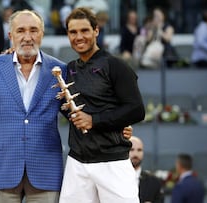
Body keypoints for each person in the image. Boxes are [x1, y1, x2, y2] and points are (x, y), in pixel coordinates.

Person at [0, 9, 133, 203]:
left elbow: (78, 113)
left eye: (33, 30)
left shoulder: (61, 69)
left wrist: (115, 124)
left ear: (42, 34)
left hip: (45, 170)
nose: (27, 37)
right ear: (10, 35)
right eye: (21, 31)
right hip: (1, 169)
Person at [59, 7, 145, 203]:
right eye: (73, 32)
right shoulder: (68, 69)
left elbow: (136, 109)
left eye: (84, 31)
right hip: (77, 162)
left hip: (113, 162)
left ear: (96, 31)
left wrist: (95, 120)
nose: (79, 37)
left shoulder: (116, 65)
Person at [129, 136, 164, 203]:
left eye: (139, 150)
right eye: (131, 149)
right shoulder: (115, 180)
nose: (135, 154)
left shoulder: (154, 182)